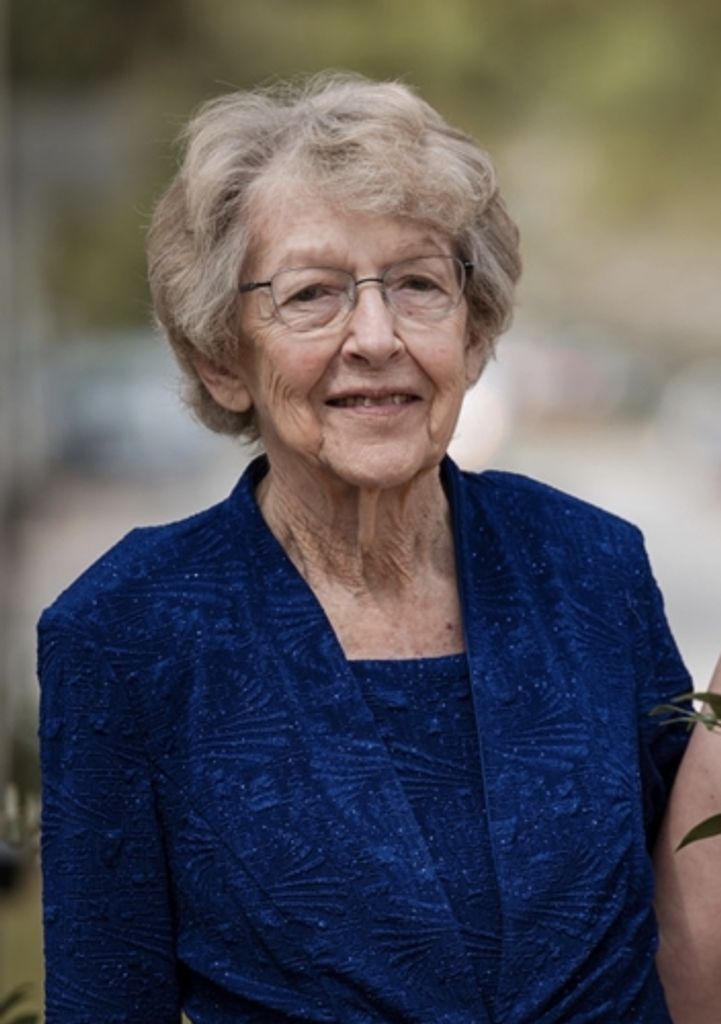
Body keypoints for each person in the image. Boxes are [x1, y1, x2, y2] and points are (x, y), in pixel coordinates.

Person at [37, 73, 719, 1024]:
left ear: (473, 334)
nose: (375, 336)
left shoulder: (589, 566)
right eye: (312, 294)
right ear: (221, 358)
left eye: (417, 285)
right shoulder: (127, 631)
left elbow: (688, 932)